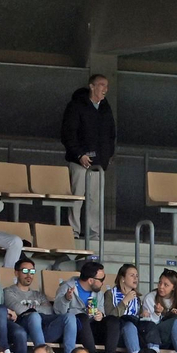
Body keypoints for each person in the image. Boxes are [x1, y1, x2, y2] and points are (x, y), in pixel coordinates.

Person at [60, 74, 116, 242]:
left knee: (95, 201)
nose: (105, 89)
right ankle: (73, 232)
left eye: (106, 86)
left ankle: (94, 234)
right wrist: (79, 154)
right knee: (76, 198)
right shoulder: (76, 106)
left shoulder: (106, 108)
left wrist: (107, 156)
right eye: (101, 85)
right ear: (92, 86)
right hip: (79, 162)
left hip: (98, 163)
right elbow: (68, 133)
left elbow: (111, 134)